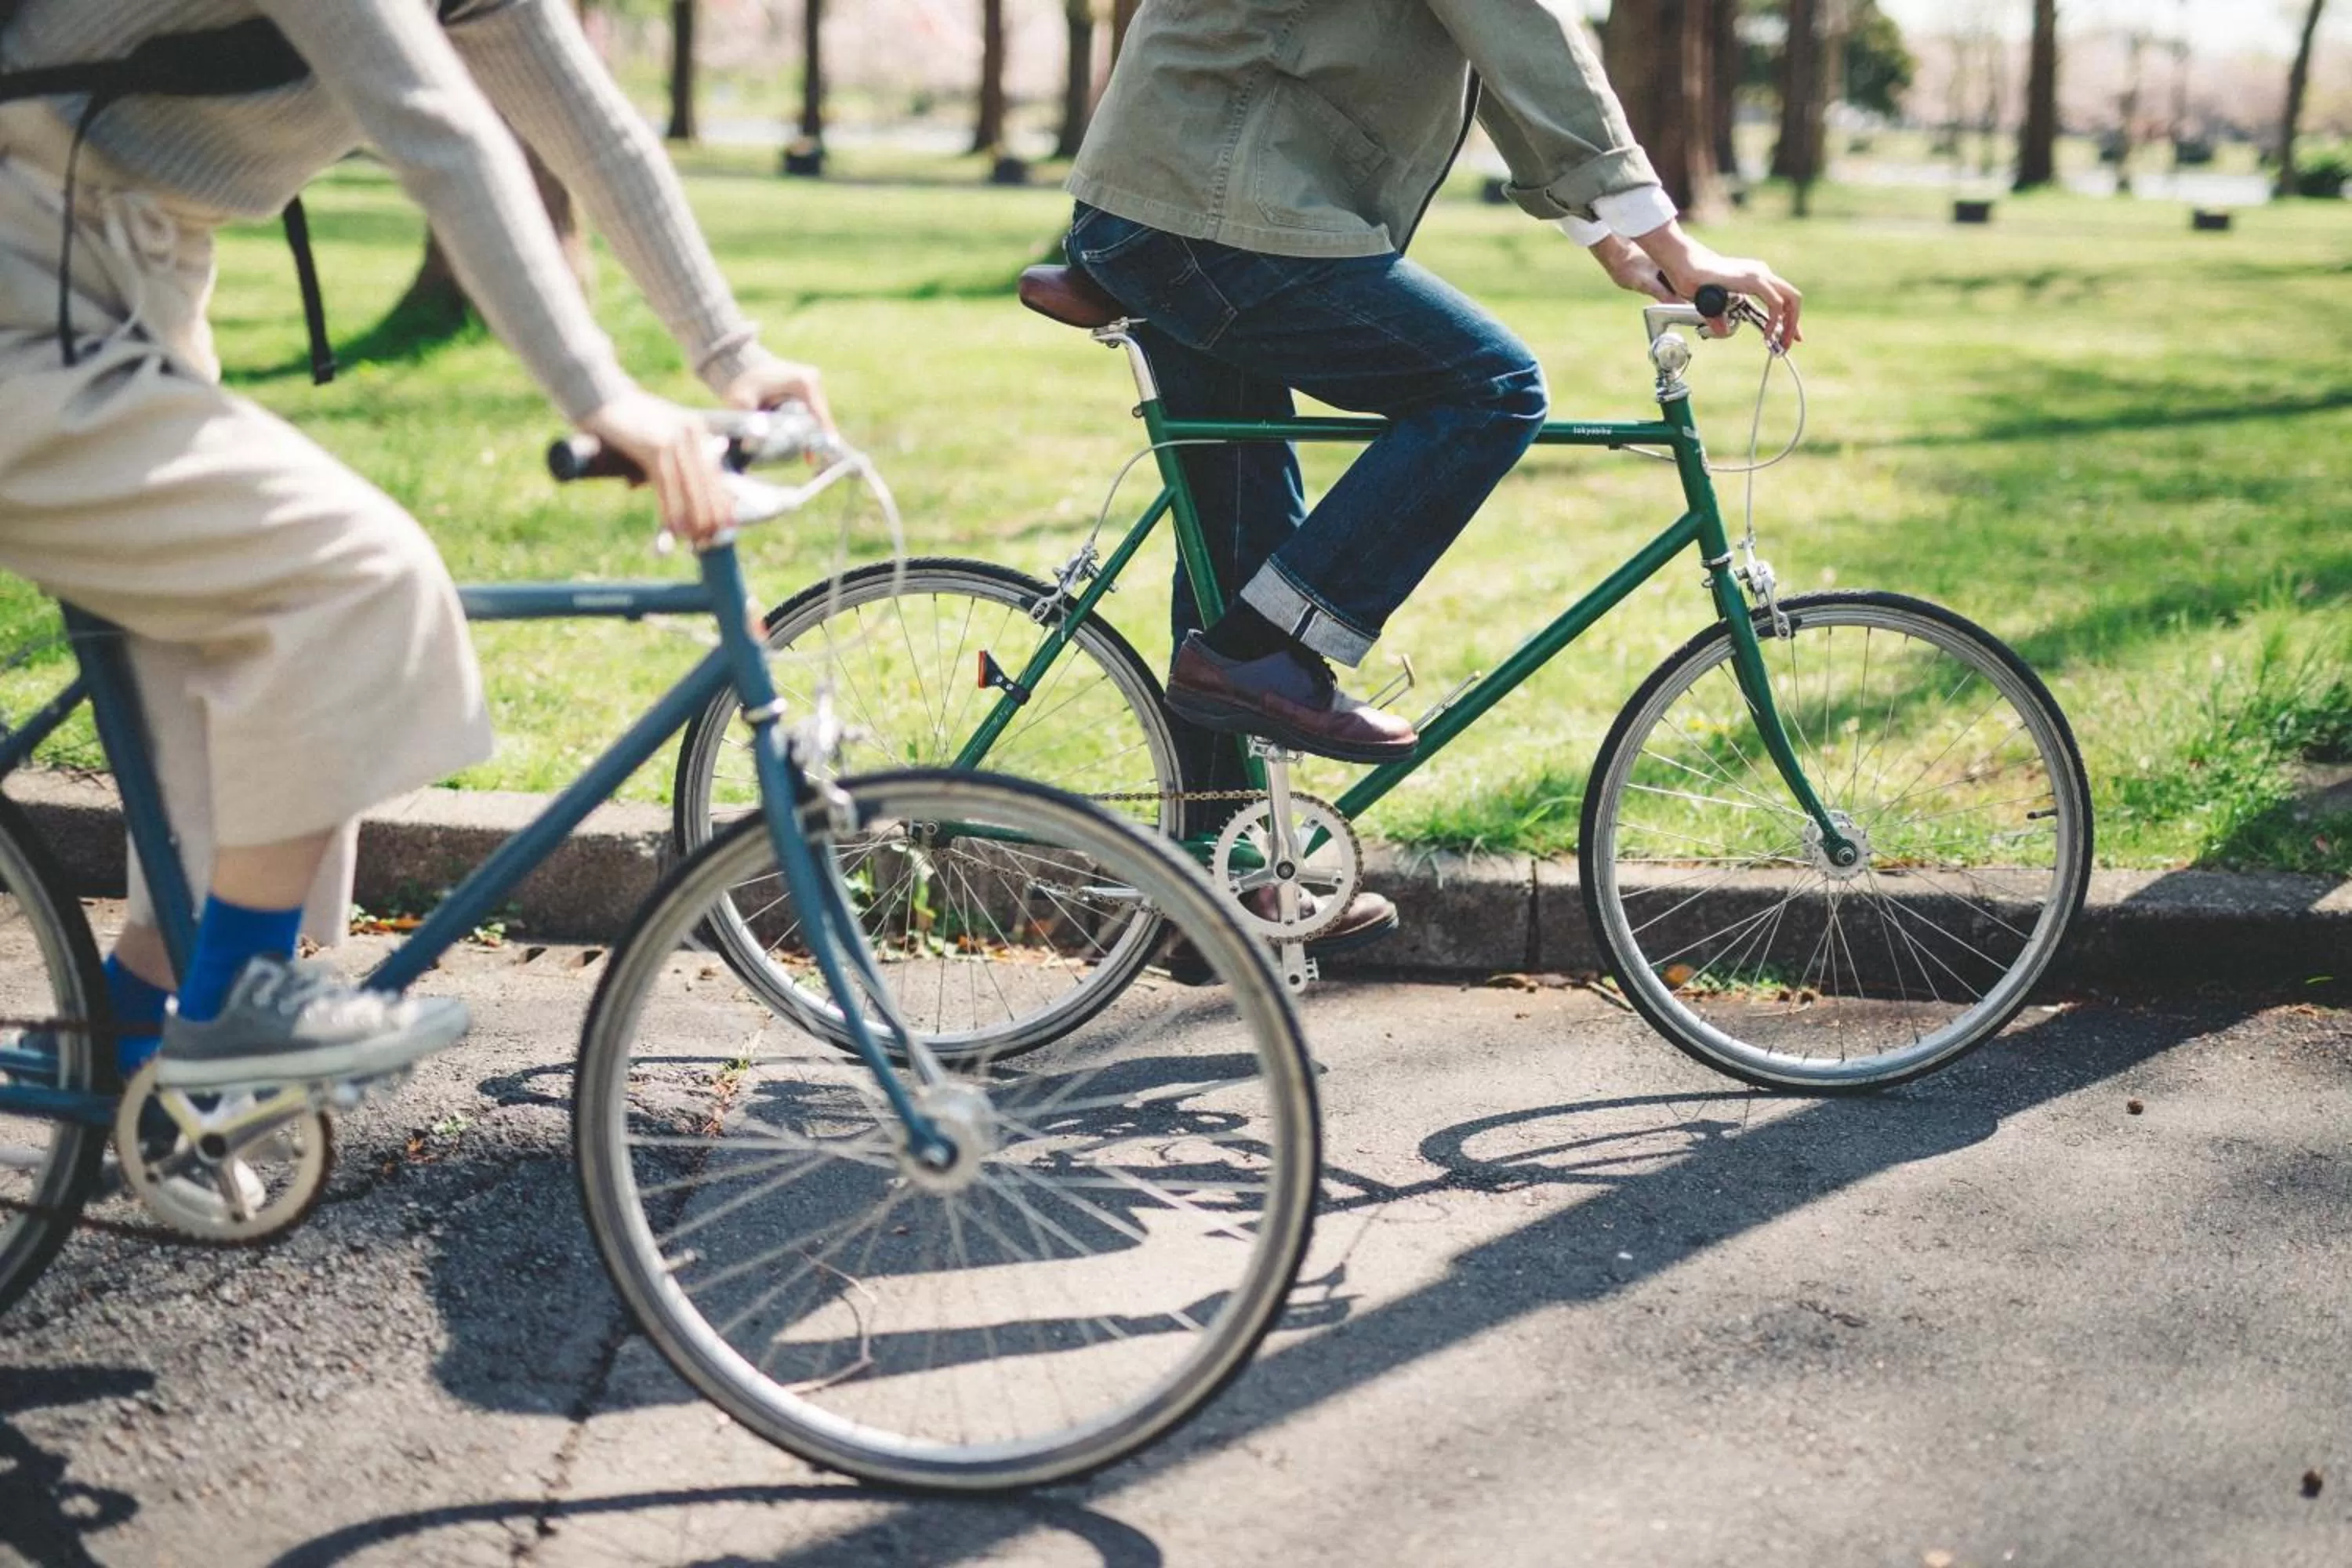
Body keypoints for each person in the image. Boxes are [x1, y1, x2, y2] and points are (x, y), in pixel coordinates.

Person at [0, 1, 828, 1091]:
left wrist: (731, 353)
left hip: (120, 281)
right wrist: (602, 399)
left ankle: (128, 1039)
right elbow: (435, 128)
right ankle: (237, 1009)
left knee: (220, 683)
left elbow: (592, 129)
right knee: (351, 575)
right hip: (23, 283)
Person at [1062, 0, 1802, 950]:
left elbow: (1489, 45)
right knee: (1490, 388)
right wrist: (1676, 244)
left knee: (1241, 519)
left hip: (1184, 204)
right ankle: (1252, 656)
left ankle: (1220, 876)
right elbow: (1529, 35)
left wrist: (1613, 243)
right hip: (1214, 213)